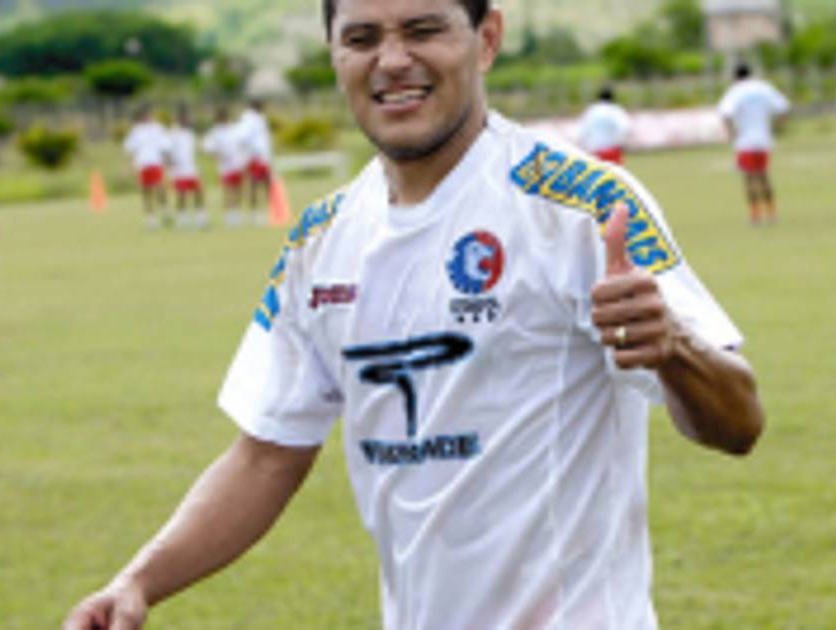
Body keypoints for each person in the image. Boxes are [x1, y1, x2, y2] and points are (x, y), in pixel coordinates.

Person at [63, 1, 765, 628]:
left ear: (487, 39)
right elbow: (266, 454)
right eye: (362, 38)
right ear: (334, 56)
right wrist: (138, 583)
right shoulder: (320, 242)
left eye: (423, 30)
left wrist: (673, 347)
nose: (392, 60)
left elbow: (740, 423)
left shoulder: (582, 204)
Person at [717, 63, 789, 226]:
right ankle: (771, 212)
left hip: (745, 141)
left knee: (749, 178)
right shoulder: (763, 87)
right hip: (764, 139)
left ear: (735, 77)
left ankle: (755, 214)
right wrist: (777, 128)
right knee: (764, 176)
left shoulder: (735, 91)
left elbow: (725, 114)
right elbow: (783, 108)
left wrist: (731, 132)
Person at [123, 107, 172, 230]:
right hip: (143, 164)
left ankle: (165, 210)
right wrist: (129, 165)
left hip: (155, 162)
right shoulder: (137, 131)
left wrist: (167, 161)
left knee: (160, 188)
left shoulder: (158, 128)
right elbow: (131, 148)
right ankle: (151, 219)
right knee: (146, 192)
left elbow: (165, 145)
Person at [201, 106, 249, 227]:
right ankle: (229, 215)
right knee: (228, 190)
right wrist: (218, 156)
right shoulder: (215, 132)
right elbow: (208, 148)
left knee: (238, 190)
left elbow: (242, 144)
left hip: (237, 164)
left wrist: (243, 161)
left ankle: (236, 213)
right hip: (225, 167)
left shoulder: (234, 129)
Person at [166, 106, 208, 230]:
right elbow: (167, 152)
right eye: (187, 118)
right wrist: (171, 167)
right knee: (181, 195)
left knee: (199, 192)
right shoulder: (173, 134)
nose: (190, 119)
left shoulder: (190, 133)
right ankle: (182, 221)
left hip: (191, 168)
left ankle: (201, 219)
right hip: (180, 170)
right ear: (180, 119)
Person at [237, 99, 274, 226]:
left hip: (263, 157)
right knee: (255, 185)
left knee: (266, 185)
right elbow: (243, 137)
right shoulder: (248, 119)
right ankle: (256, 214)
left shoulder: (260, 118)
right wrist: (253, 153)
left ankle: (267, 211)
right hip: (256, 158)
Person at [576, 85, 632, 164]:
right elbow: (625, 128)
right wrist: (620, 143)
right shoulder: (616, 110)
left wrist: (583, 146)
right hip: (613, 151)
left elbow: (581, 132)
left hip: (595, 152)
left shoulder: (591, 111)